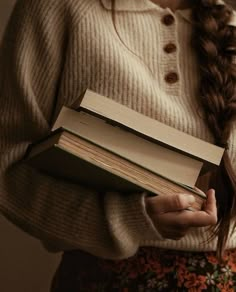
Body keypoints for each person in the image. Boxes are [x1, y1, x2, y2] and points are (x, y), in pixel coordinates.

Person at [0, 0, 236, 290]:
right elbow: (7, 166)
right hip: (105, 280)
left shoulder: (229, 25)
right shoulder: (55, 8)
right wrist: (126, 219)